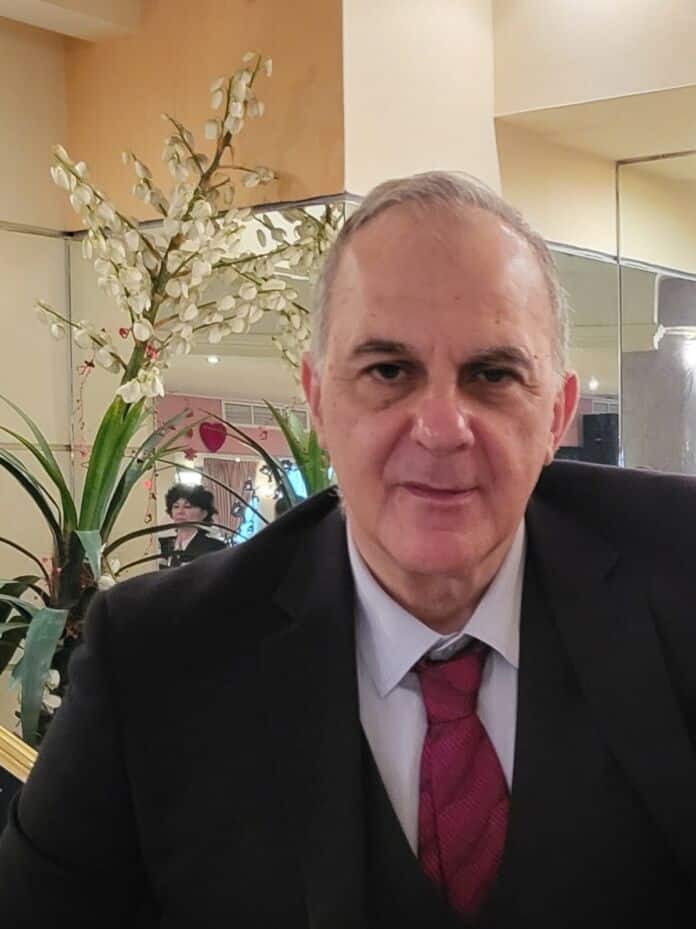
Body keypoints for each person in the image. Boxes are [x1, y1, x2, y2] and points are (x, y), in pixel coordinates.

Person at [1, 171, 695, 928]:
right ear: (319, 402)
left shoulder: (681, 577)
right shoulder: (155, 659)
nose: (441, 428)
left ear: (557, 414)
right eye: (388, 371)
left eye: (493, 374)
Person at [158, 483, 226, 568]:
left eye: (187, 506)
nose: (180, 512)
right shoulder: (164, 546)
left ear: (204, 514)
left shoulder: (215, 548)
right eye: (176, 506)